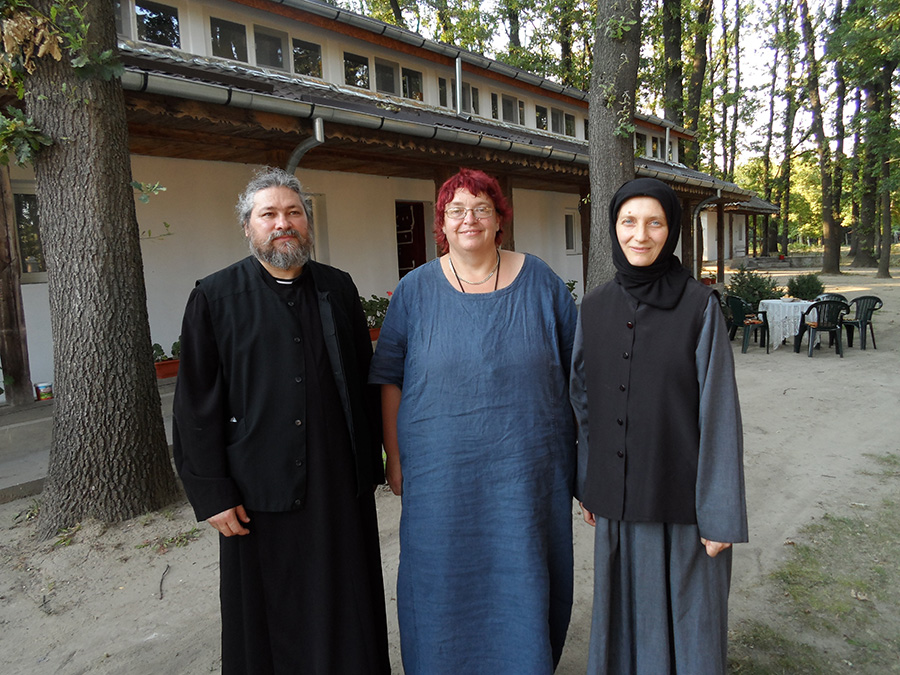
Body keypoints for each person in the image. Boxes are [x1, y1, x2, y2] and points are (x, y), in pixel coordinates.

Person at [172, 167, 390, 675]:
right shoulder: (215, 297)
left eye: (293, 212)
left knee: (345, 600)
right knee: (268, 616)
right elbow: (195, 404)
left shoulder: (338, 288)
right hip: (256, 493)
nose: (282, 223)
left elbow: (364, 380)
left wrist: (376, 461)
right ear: (248, 227)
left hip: (337, 488)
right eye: (268, 214)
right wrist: (212, 492)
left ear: (307, 224)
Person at [369, 168, 577, 674]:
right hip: (441, 475)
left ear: (499, 218)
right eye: (456, 210)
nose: (469, 219)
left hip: (528, 471)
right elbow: (390, 378)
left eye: (481, 208)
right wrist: (394, 456)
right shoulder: (414, 291)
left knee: (525, 569)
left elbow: (579, 373)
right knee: (440, 574)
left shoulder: (543, 283)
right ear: (442, 221)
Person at [570, 177, 748, 674]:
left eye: (654, 223)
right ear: (614, 228)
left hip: (683, 503)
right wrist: (589, 482)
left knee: (690, 626)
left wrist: (720, 513)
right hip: (619, 502)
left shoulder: (699, 307)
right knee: (625, 622)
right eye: (629, 222)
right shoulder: (595, 307)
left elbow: (719, 413)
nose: (640, 235)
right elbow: (581, 400)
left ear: (670, 232)